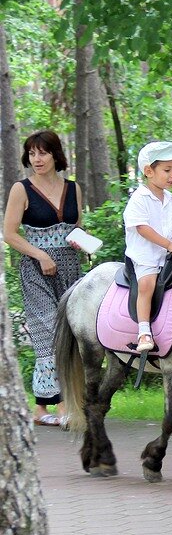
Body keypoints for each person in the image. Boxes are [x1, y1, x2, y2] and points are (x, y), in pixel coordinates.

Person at [3, 130, 84, 427]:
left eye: (43, 153)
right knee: (50, 333)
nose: (36, 159)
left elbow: (76, 226)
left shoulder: (73, 188)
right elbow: (10, 234)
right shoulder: (21, 189)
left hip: (70, 269)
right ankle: (63, 407)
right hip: (36, 270)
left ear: (55, 155)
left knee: (72, 333)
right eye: (32, 153)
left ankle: (40, 410)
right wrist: (40, 255)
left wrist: (82, 240)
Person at [123, 141, 172, 352]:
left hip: (169, 254)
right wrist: (169, 244)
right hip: (145, 255)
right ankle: (144, 331)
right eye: (167, 170)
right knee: (146, 284)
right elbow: (142, 228)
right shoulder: (139, 199)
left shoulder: (171, 200)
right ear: (148, 171)